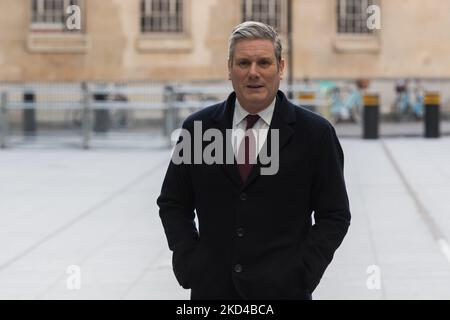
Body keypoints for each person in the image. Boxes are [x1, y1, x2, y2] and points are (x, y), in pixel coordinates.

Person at [157, 21, 351, 300]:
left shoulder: (316, 135)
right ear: (229, 68)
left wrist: (303, 272)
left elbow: (334, 214)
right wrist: (190, 260)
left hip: (284, 292)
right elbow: (173, 202)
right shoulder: (198, 129)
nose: (253, 73)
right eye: (243, 62)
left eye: (264, 62)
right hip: (213, 291)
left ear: (280, 68)